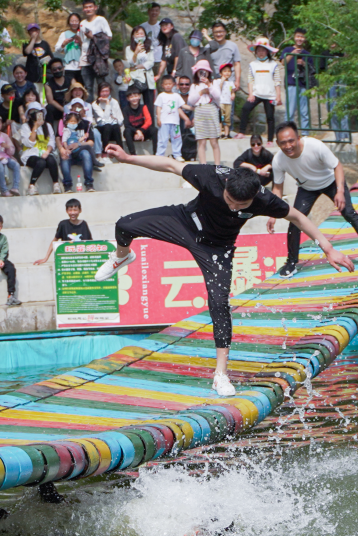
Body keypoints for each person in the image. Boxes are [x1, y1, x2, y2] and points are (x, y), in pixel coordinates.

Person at [96, 143, 354, 395]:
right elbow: (170, 164)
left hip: (217, 249)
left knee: (219, 304)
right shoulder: (211, 177)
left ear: (253, 198)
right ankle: (122, 256)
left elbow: (297, 216)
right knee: (125, 225)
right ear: (226, 187)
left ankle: (220, 374)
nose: (233, 207)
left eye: (241, 206)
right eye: (230, 200)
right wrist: (128, 158)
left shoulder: (264, 200)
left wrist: (327, 248)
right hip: (185, 222)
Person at [268, 120, 358, 277]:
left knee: (348, 213)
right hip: (307, 188)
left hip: (331, 182)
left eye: (291, 141)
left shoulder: (315, 146)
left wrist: (340, 192)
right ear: (277, 143)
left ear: (298, 137)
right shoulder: (278, 160)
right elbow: (277, 188)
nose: (288, 146)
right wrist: (272, 214)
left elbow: (337, 166)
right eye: (283, 143)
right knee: (295, 223)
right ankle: (291, 263)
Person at [234, 37, 281, 145]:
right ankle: (241, 132)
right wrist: (251, 94)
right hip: (256, 93)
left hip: (270, 95)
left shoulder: (273, 65)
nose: (261, 53)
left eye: (263, 50)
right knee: (246, 108)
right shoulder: (253, 64)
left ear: (267, 51)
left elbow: (277, 81)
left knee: (270, 117)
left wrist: (278, 96)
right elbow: (251, 80)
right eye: (259, 50)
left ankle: (270, 140)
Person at [203, 22, 241, 130]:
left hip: (229, 82)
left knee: (229, 109)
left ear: (225, 32)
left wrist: (237, 80)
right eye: (216, 32)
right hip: (214, 81)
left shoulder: (232, 46)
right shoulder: (208, 46)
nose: (218, 34)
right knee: (214, 107)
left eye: (220, 31)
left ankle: (228, 132)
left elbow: (237, 63)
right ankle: (215, 131)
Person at [34, 198, 92, 264]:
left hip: (81, 259)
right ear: (66, 211)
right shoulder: (63, 224)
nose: (73, 213)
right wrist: (45, 258)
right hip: (67, 259)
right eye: (70, 210)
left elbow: (90, 242)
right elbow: (55, 240)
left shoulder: (84, 224)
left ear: (80, 210)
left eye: (75, 210)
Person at [20, 102, 60, 196]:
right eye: (33, 112)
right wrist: (35, 127)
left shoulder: (48, 126)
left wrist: (47, 152)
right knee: (41, 162)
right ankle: (32, 185)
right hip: (31, 154)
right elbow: (29, 143)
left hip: (44, 152)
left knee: (51, 159)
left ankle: (56, 184)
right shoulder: (25, 126)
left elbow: (51, 142)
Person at [188, 60, 221, 165]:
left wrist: (209, 86)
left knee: (214, 140)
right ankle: (203, 165)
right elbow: (190, 101)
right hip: (199, 110)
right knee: (201, 141)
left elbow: (218, 96)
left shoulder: (214, 83)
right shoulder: (194, 85)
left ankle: (217, 165)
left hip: (211, 109)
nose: (203, 73)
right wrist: (201, 92)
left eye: (205, 71)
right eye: (200, 71)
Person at [281, 28, 312, 135]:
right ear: (294, 37)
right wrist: (292, 54)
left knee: (304, 112)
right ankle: (288, 133)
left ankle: (305, 134)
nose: (300, 38)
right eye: (298, 36)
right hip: (291, 83)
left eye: (302, 36)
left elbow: (312, 68)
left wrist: (304, 64)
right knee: (290, 111)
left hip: (303, 84)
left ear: (305, 39)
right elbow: (283, 62)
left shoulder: (307, 53)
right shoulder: (287, 49)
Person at [79, 0, 112, 99]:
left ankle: (104, 108)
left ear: (95, 7)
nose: (88, 9)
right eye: (86, 7)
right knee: (88, 87)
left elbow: (109, 37)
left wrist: (93, 37)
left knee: (102, 85)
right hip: (85, 58)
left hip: (98, 59)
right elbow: (82, 40)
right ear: (83, 9)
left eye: (90, 6)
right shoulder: (82, 23)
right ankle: (90, 110)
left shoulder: (101, 20)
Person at [63, 80, 103, 157]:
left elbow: (90, 121)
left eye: (79, 90)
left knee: (96, 132)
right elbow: (66, 120)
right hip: (72, 127)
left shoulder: (88, 105)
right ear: (71, 93)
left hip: (85, 126)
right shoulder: (66, 106)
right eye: (75, 91)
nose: (77, 92)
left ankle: (98, 154)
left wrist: (83, 115)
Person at [125, 26, 156, 121]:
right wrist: (136, 52)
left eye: (142, 33)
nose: (140, 35)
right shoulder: (128, 48)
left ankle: (150, 127)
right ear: (133, 36)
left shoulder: (149, 48)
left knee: (149, 105)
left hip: (148, 79)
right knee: (134, 103)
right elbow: (130, 63)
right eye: (137, 33)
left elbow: (151, 62)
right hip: (135, 79)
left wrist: (137, 67)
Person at [59, 112, 95, 193]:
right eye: (71, 121)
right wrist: (64, 149)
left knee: (86, 153)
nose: (73, 123)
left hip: (79, 151)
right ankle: (67, 185)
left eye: (74, 121)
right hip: (68, 150)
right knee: (65, 157)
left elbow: (91, 143)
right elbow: (60, 139)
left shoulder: (86, 124)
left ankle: (89, 184)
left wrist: (79, 142)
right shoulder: (64, 128)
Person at [155, 75, 189, 160]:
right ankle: (160, 155)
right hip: (164, 121)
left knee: (177, 138)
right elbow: (158, 107)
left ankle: (177, 154)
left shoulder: (176, 95)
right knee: (163, 139)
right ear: (162, 85)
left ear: (173, 84)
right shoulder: (161, 96)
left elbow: (181, 106)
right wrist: (158, 118)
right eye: (166, 84)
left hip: (175, 121)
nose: (168, 85)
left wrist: (193, 108)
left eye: (169, 83)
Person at [123, 85, 158, 156]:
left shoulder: (143, 107)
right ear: (128, 98)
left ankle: (156, 153)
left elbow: (149, 121)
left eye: (136, 96)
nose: (134, 98)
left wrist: (141, 130)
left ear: (139, 96)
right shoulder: (125, 109)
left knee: (154, 130)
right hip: (133, 132)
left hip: (143, 132)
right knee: (127, 131)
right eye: (131, 97)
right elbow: (127, 124)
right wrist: (136, 131)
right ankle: (133, 154)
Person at [92, 82, 124, 152]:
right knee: (108, 126)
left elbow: (120, 119)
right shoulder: (95, 104)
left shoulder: (114, 102)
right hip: (102, 128)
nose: (105, 93)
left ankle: (121, 151)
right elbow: (106, 118)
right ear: (99, 92)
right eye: (103, 91)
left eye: (107, 91)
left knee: (116, 126)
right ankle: (104, 152)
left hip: (113, 128)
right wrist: (107, 103)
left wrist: (115, 119)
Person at [23, 23, 53, 91]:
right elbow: (27, 52)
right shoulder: (26, 43)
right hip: (32, 75)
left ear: (39, 31)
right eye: (31, 31)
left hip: (44, 75)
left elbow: (51, 57)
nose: (34, 32)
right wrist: (33, 40)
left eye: (35, 30)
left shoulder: (45, 44)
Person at [55, 13, 83, 82]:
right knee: (70, 86)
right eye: (72, 21)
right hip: (68, 66)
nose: (74, 23)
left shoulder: (82, 33)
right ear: (69, 22)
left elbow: (87, 49)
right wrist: (64, 44)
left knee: (81, 88)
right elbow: (57, 50)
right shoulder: (64, 34)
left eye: (76, 21)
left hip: (81, 66)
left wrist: (80, 41)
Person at [45, 58, 73, 128]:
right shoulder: (48, 84)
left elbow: (77, 93)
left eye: (59, 68)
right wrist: (63, 110)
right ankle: (49, 131)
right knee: (49, 108)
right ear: (51, 71)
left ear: (63, 68)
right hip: (57, 108)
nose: (57, 70)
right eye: (54, 69)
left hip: (71, 107)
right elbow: (50, 101)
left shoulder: (71, 80)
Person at [140, 3, 163, 80]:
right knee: (146, 82)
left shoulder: (162, 26)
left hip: (159, 59)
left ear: (159, 12)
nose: (154, 13)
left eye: (156, 10)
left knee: (160, 83)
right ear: (148, 12)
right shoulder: (142, 27)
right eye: (152, 10)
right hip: (146, 59)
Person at [177, 75, 197, 161]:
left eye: (186, 84)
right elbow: (176, 109)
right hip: (179, 120)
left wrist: (193, 119)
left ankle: (192, 153)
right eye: (181, 84)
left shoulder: (194, 96)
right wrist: (186, 119)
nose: (184, 86)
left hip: (193, 119)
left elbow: (198, 109)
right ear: (178, 85)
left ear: (190, 85)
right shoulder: (175, 95)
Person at [218, 64, 235, 138]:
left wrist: (233, 94)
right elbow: (218, 89)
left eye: (229, 71)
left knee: (227, 118)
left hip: (228, 102)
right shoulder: (218, 81)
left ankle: (226, 133)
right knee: (220, 117)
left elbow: (232, 91)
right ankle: (219, 133)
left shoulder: (231, 82)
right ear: (221, 73)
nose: (227, 73)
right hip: (221, 102)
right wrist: (222, 80)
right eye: (225, 71)